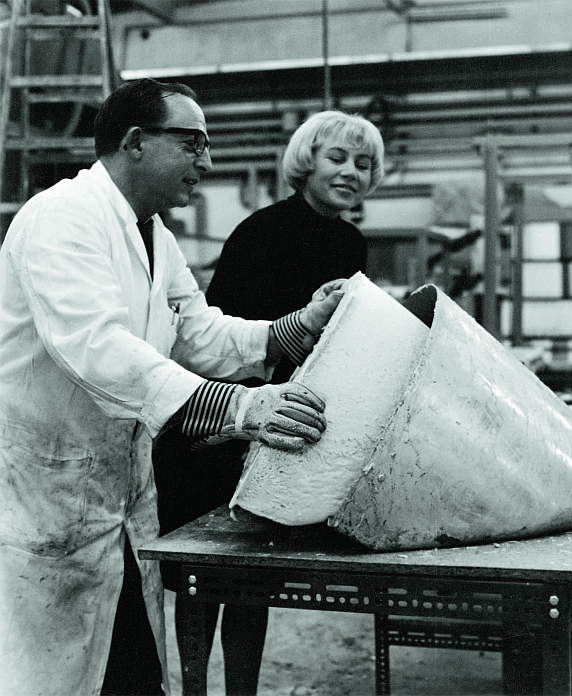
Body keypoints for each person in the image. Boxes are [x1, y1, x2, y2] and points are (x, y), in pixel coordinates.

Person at [0, 78, 346, 696]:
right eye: (192, 144)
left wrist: (300, 326)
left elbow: (204, 336)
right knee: (51, 675)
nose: (206, 163)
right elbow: (97, 350)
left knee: (130, 669)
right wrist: (238, 407)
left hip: (120, 500)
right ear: (135, 142)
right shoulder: (61, 219)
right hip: (48, 497)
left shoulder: (154, 234)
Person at [153, 110, 385, 695]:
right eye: (337, 158)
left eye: (363, 163)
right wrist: (297, 331)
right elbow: (218, 345)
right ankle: (196, 689)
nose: (350, 171)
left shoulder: (350, 242)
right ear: (306, 163)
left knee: (251, 582)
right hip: (224, 427)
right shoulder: (261, 231)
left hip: (287, 421)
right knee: (205, 578)